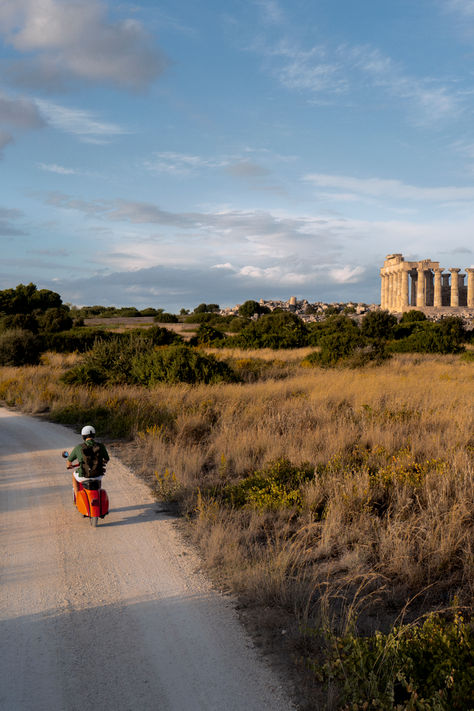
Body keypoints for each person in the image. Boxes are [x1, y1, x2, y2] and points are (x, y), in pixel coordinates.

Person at [67, 425, 110, 497]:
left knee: (74, 476)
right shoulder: (101, 446)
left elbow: (69, 460)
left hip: (83, 476)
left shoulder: (79, 447)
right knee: (99, 474)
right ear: (93, 435)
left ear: (83, 436)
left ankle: (77, 496)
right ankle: (98, 493)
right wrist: (101, 462)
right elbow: (107, 459)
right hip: (97, 475)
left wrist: (69, 465)